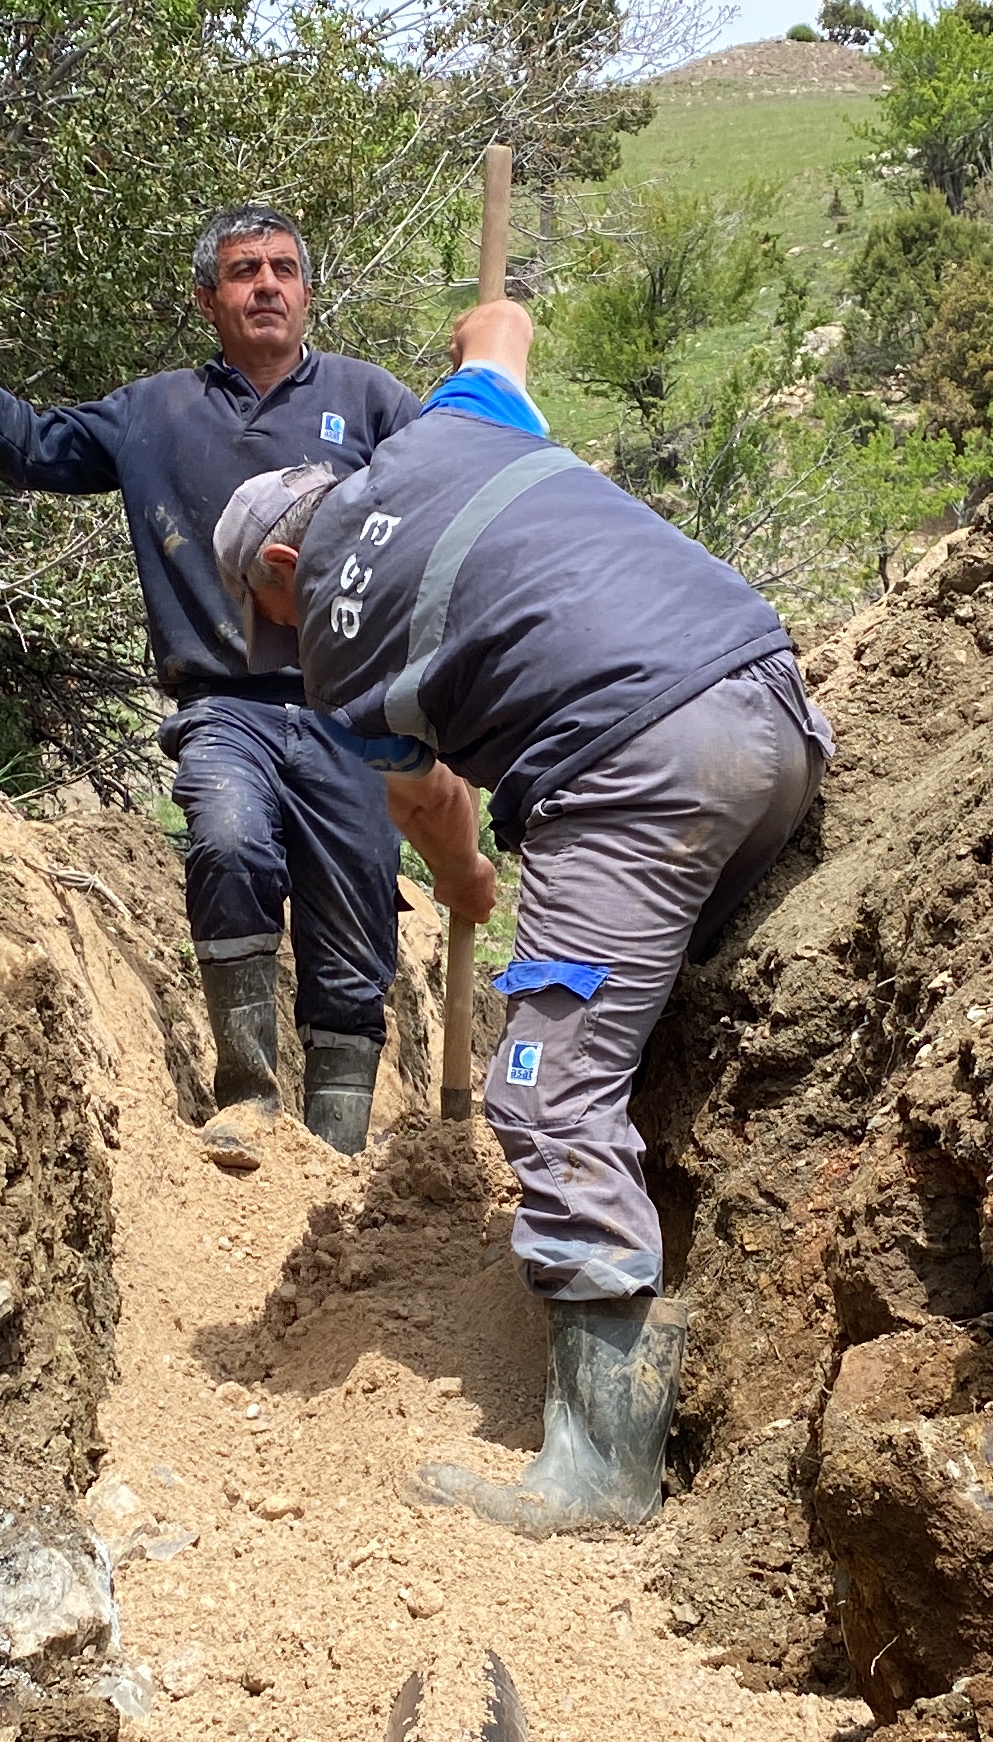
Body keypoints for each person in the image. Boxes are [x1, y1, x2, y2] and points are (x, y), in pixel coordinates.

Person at [213, 299, 830, 1535]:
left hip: (635, 773)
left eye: (266, 616)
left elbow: (428, 794)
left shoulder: (330, 639)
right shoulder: (453, 422)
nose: (283, 641)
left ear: (280, 569)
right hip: (769, 711)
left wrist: (467, 886)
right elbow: (502, 323)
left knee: (543, 1088)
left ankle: (601, 1468)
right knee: (652, 1020)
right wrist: (474, 331)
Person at [0, 208, 423, 1156]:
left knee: (356, 919)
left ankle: (338, 1153)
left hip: (351, 712)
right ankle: (248, 1096)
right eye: (244, 271)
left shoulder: (373, 404)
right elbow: (27, 447)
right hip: (224, 704)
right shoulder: (153, 413)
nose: (267, 286)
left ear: (308, 291)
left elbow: (441, 507)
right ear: (208, 298)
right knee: (228, 840)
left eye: (284, 269)